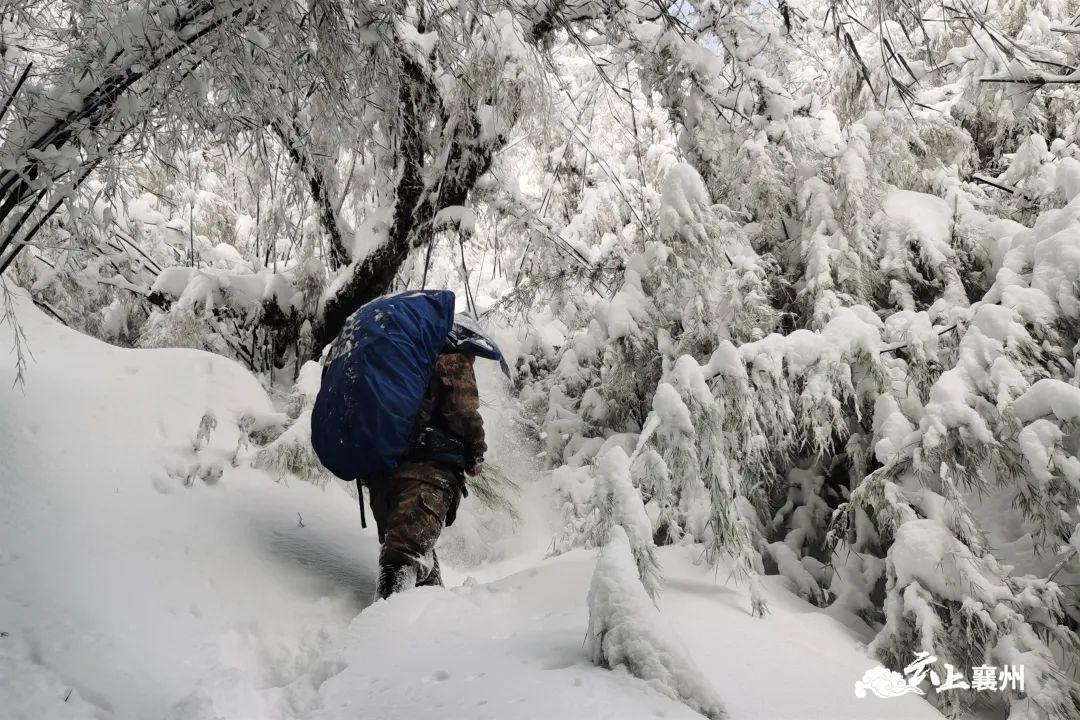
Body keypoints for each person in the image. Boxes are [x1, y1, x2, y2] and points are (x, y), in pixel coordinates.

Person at [365, 349, 486, 599]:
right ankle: (381, 632)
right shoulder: (451, 357)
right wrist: (476, 452)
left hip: (383, 479)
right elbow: (464, 413)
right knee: (404, 556)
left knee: (418, 554)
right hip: (426, 476)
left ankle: (436, 624)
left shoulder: (402, 356)